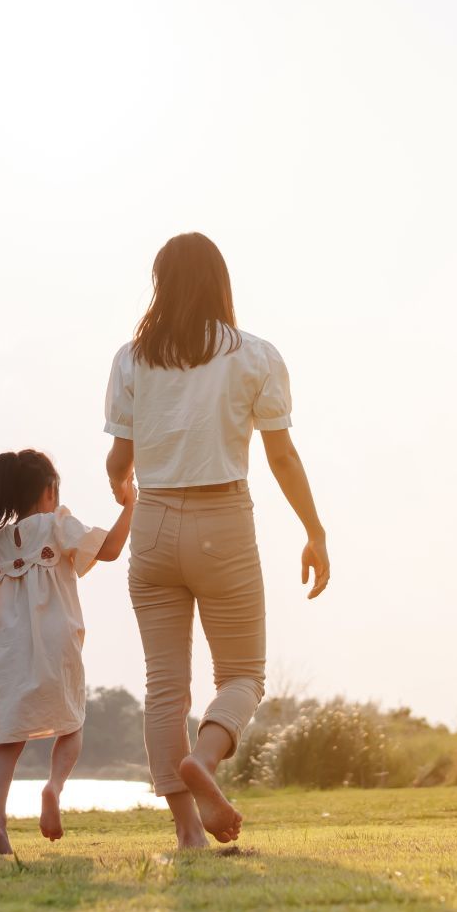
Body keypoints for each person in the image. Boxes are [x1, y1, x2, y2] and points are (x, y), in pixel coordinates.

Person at [103, 233, 331, 849]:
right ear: (220, 283)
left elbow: (117, 463)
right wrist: (314, 531)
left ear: (161, 284)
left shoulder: (131, 359)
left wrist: (128, 490)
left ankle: (187, 834)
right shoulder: (255, 356)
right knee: (243, 675)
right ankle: (204, 758)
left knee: (164, 686)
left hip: (152, 525)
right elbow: (280, 456)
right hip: (222, 520)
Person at [0, 450, 133, 855]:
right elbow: (112, 549)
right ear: (50, 491)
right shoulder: (57, 524)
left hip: (8, 654)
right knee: (71, 725)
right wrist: (132, 504)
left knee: (8, 741)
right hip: (57, 645)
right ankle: (53, 787)